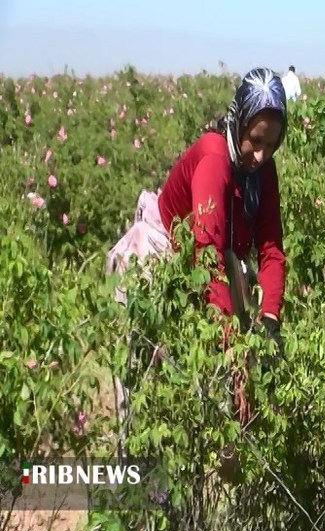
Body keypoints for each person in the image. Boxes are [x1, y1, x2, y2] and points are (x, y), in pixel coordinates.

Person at [106, 67, 288, 429]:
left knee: (214, 395)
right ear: (238, 123)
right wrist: (234, 354)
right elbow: (205, 251)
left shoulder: (263, 171)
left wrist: (269, 321)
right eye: (255, 140)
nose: (261, 155)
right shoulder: (214, 158)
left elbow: (271, 248)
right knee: (144, 396)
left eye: (272, 145)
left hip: (213, 266)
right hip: (160, 263)